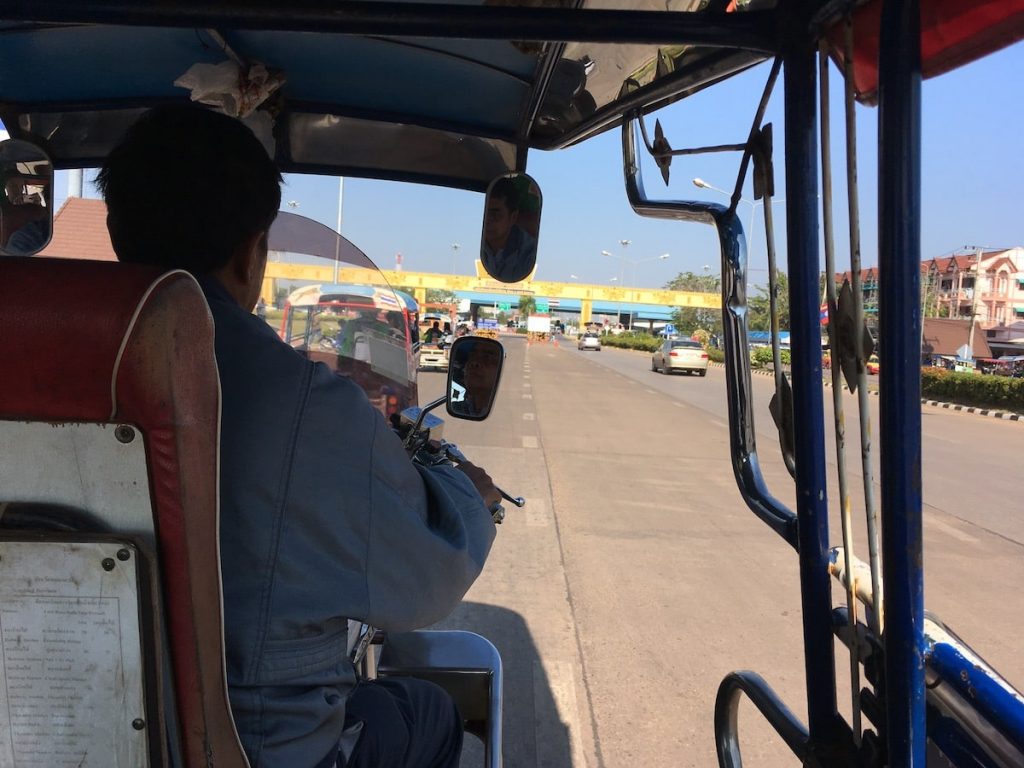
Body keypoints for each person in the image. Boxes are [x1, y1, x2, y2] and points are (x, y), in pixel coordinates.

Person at [96, 105, 500, 768]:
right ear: (251, 250)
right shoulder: (301, 403)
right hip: (264, 750)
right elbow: (428, 580)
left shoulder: (41, 361)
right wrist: (469, 498)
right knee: (427, 711)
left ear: (118, 230)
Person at [480, 176, 537, 283]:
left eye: (495, 214)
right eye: (485, 214)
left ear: (513, 217)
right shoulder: (479, 244)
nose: (488, 220)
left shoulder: (527, 254)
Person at [449, 340, 502, 418]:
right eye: (472, 356)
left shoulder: (499, 414)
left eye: (487, 357)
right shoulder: (456, 408)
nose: (474, 362)